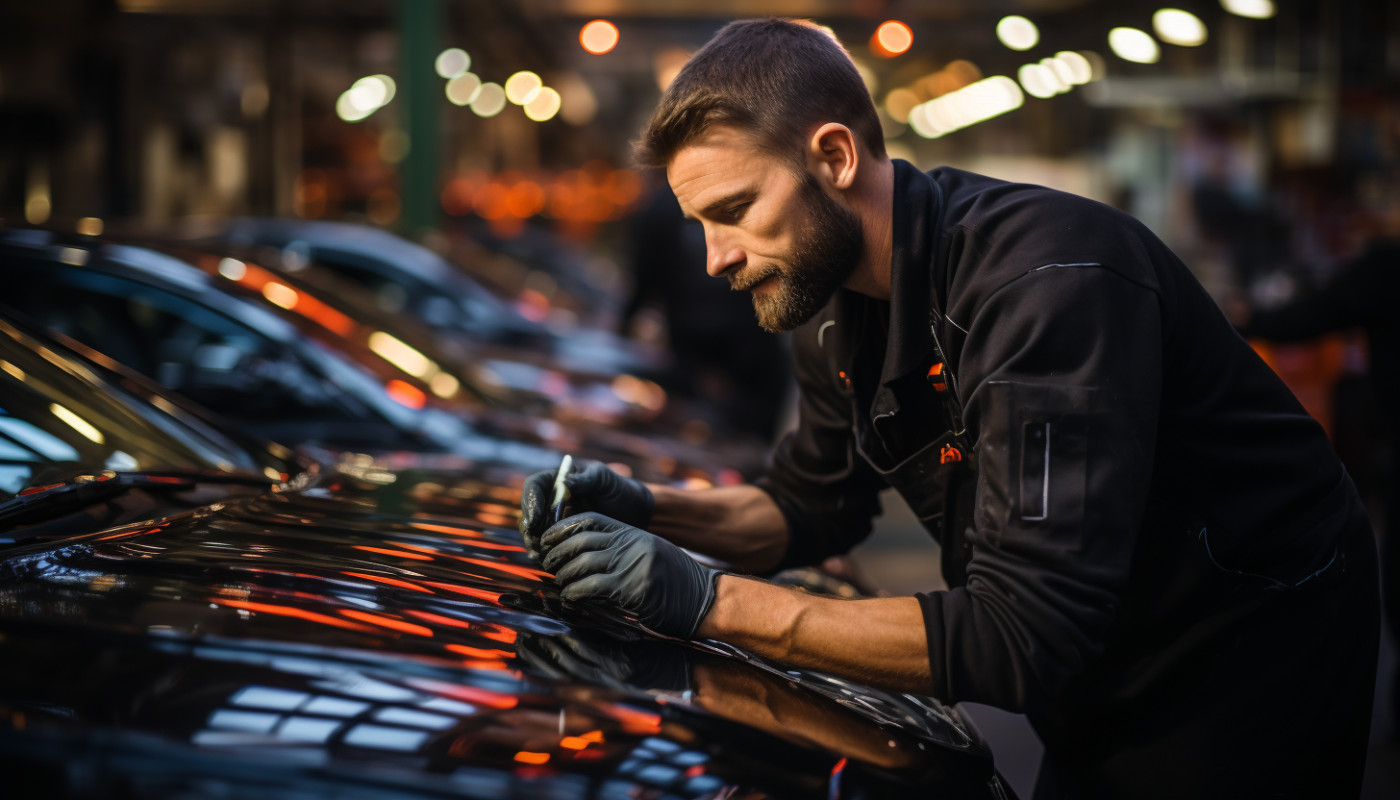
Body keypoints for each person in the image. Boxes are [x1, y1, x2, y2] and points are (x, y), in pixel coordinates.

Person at [518, 18, 1380, 800]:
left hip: (1245, 652)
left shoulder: (1044, 285)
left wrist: (709, 601)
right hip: (1101, 652)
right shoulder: (832, 306)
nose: (714, 259)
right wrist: (645, 512)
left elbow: (1022, 632)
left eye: (735, 211)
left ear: (835, 157)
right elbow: (809, 503)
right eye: (700, 224)